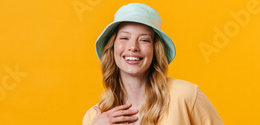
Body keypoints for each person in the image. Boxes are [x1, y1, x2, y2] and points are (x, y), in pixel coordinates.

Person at [83, 3, 224, 125]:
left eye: (144, 40)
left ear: (156, 50)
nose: (133, 47)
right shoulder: (94, 117)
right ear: (112, 47)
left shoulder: (186, 96)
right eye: (124, 38)